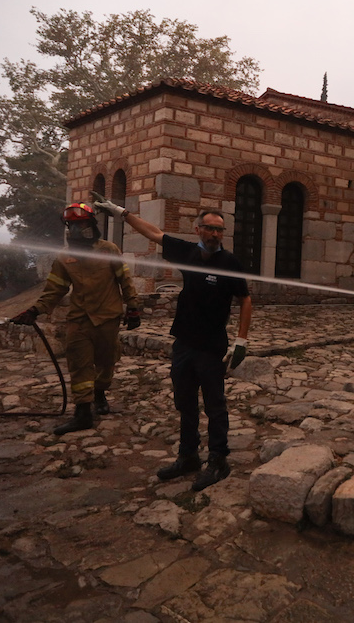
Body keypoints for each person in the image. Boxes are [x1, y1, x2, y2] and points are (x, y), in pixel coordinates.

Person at [91, 193, 251, 492]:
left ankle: (218, 459)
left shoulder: (230, 262)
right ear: (198, 229)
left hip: (211, 345)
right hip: (184, 344)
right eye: (210, 228)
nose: (215, 234)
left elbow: (245, 299)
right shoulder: (187, 252)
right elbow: (153, 232)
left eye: (220, 229)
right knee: (185, 402)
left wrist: (241, 340)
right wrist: (121, 212)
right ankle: (188, 456)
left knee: (215, 405)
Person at [11, 202, 141, 435]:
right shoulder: (65, 258)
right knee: (79, 366)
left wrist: (133, 307)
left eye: (83, 225)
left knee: (106, 364)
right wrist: (35, 310)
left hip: (108, 318)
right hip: (79, 320)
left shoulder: (108, 250)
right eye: (73, 226)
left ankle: (99, 394)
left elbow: (125, 280)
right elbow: (55, 290)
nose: (79, 230)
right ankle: (82, 412)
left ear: (92, 225)